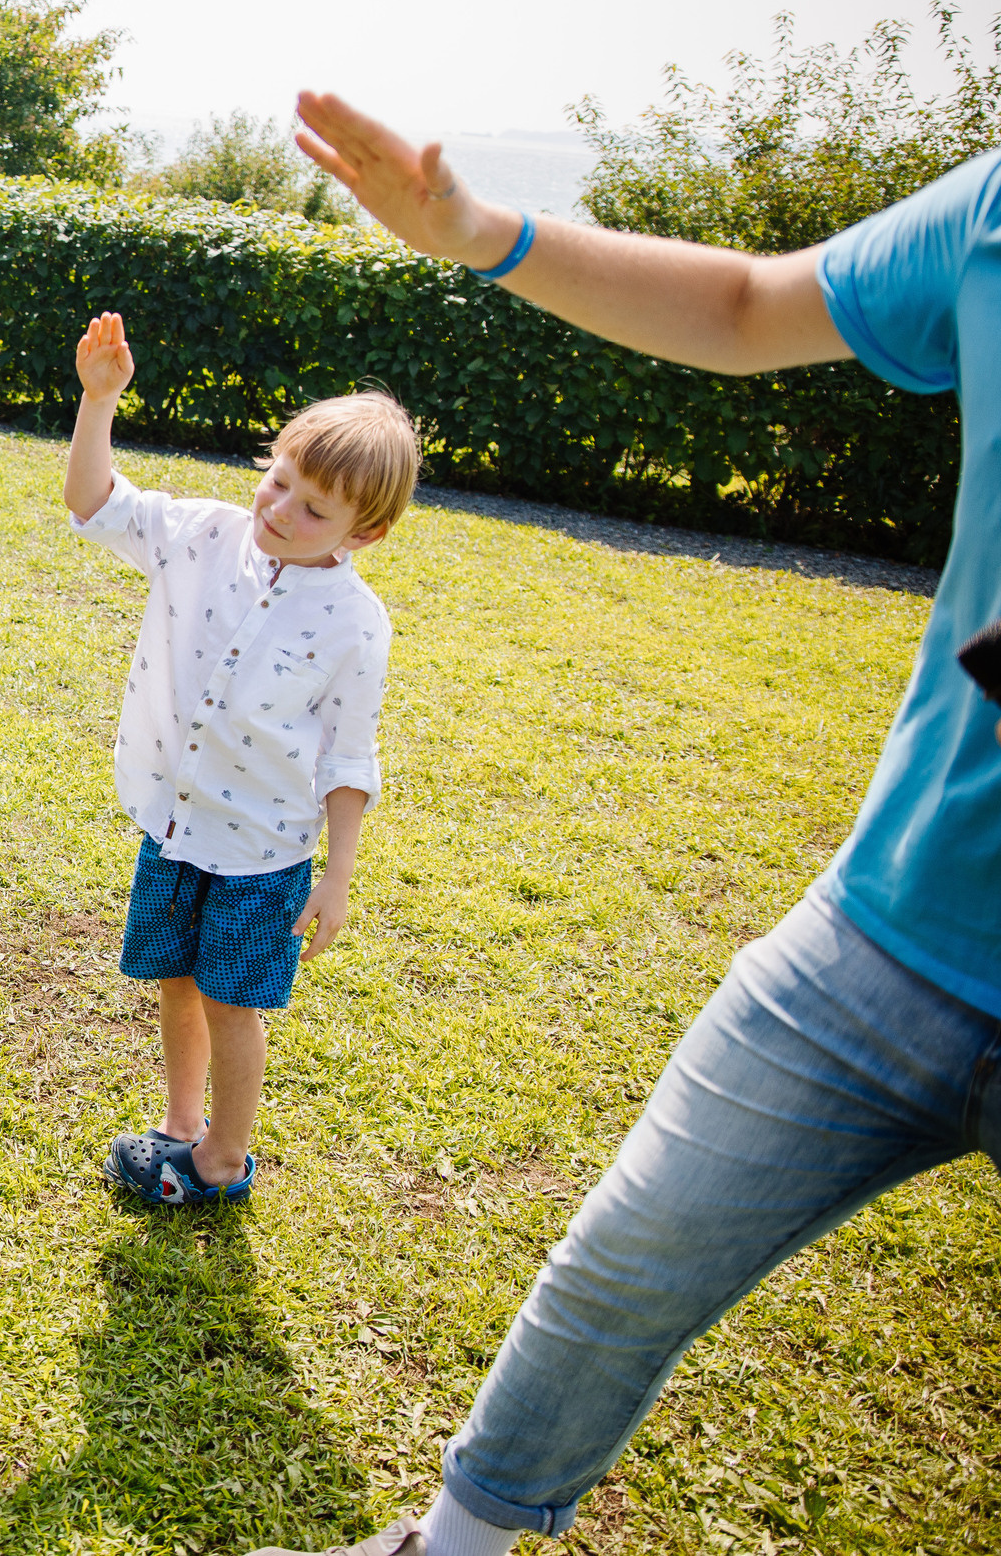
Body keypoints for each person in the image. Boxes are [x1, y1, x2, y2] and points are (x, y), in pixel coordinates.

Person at [243, 94, 1001, 1556]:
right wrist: (486, 236)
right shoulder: (991, 208)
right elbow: (744, 301)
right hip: (892, 922)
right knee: (624, 1262)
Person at [63, 315, 414, 1205]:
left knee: (232, 1004)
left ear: (363, 532)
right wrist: (98, 403)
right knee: (175, 983)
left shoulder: (356, 623)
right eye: (280, 480)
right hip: (176, 822)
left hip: (264, 852)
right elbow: (93, 501)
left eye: (312, 508)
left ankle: (222, 1159)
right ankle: (179, 1128)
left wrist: (337, 875)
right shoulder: (203, 533)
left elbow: (348, 756)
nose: (279, 510)